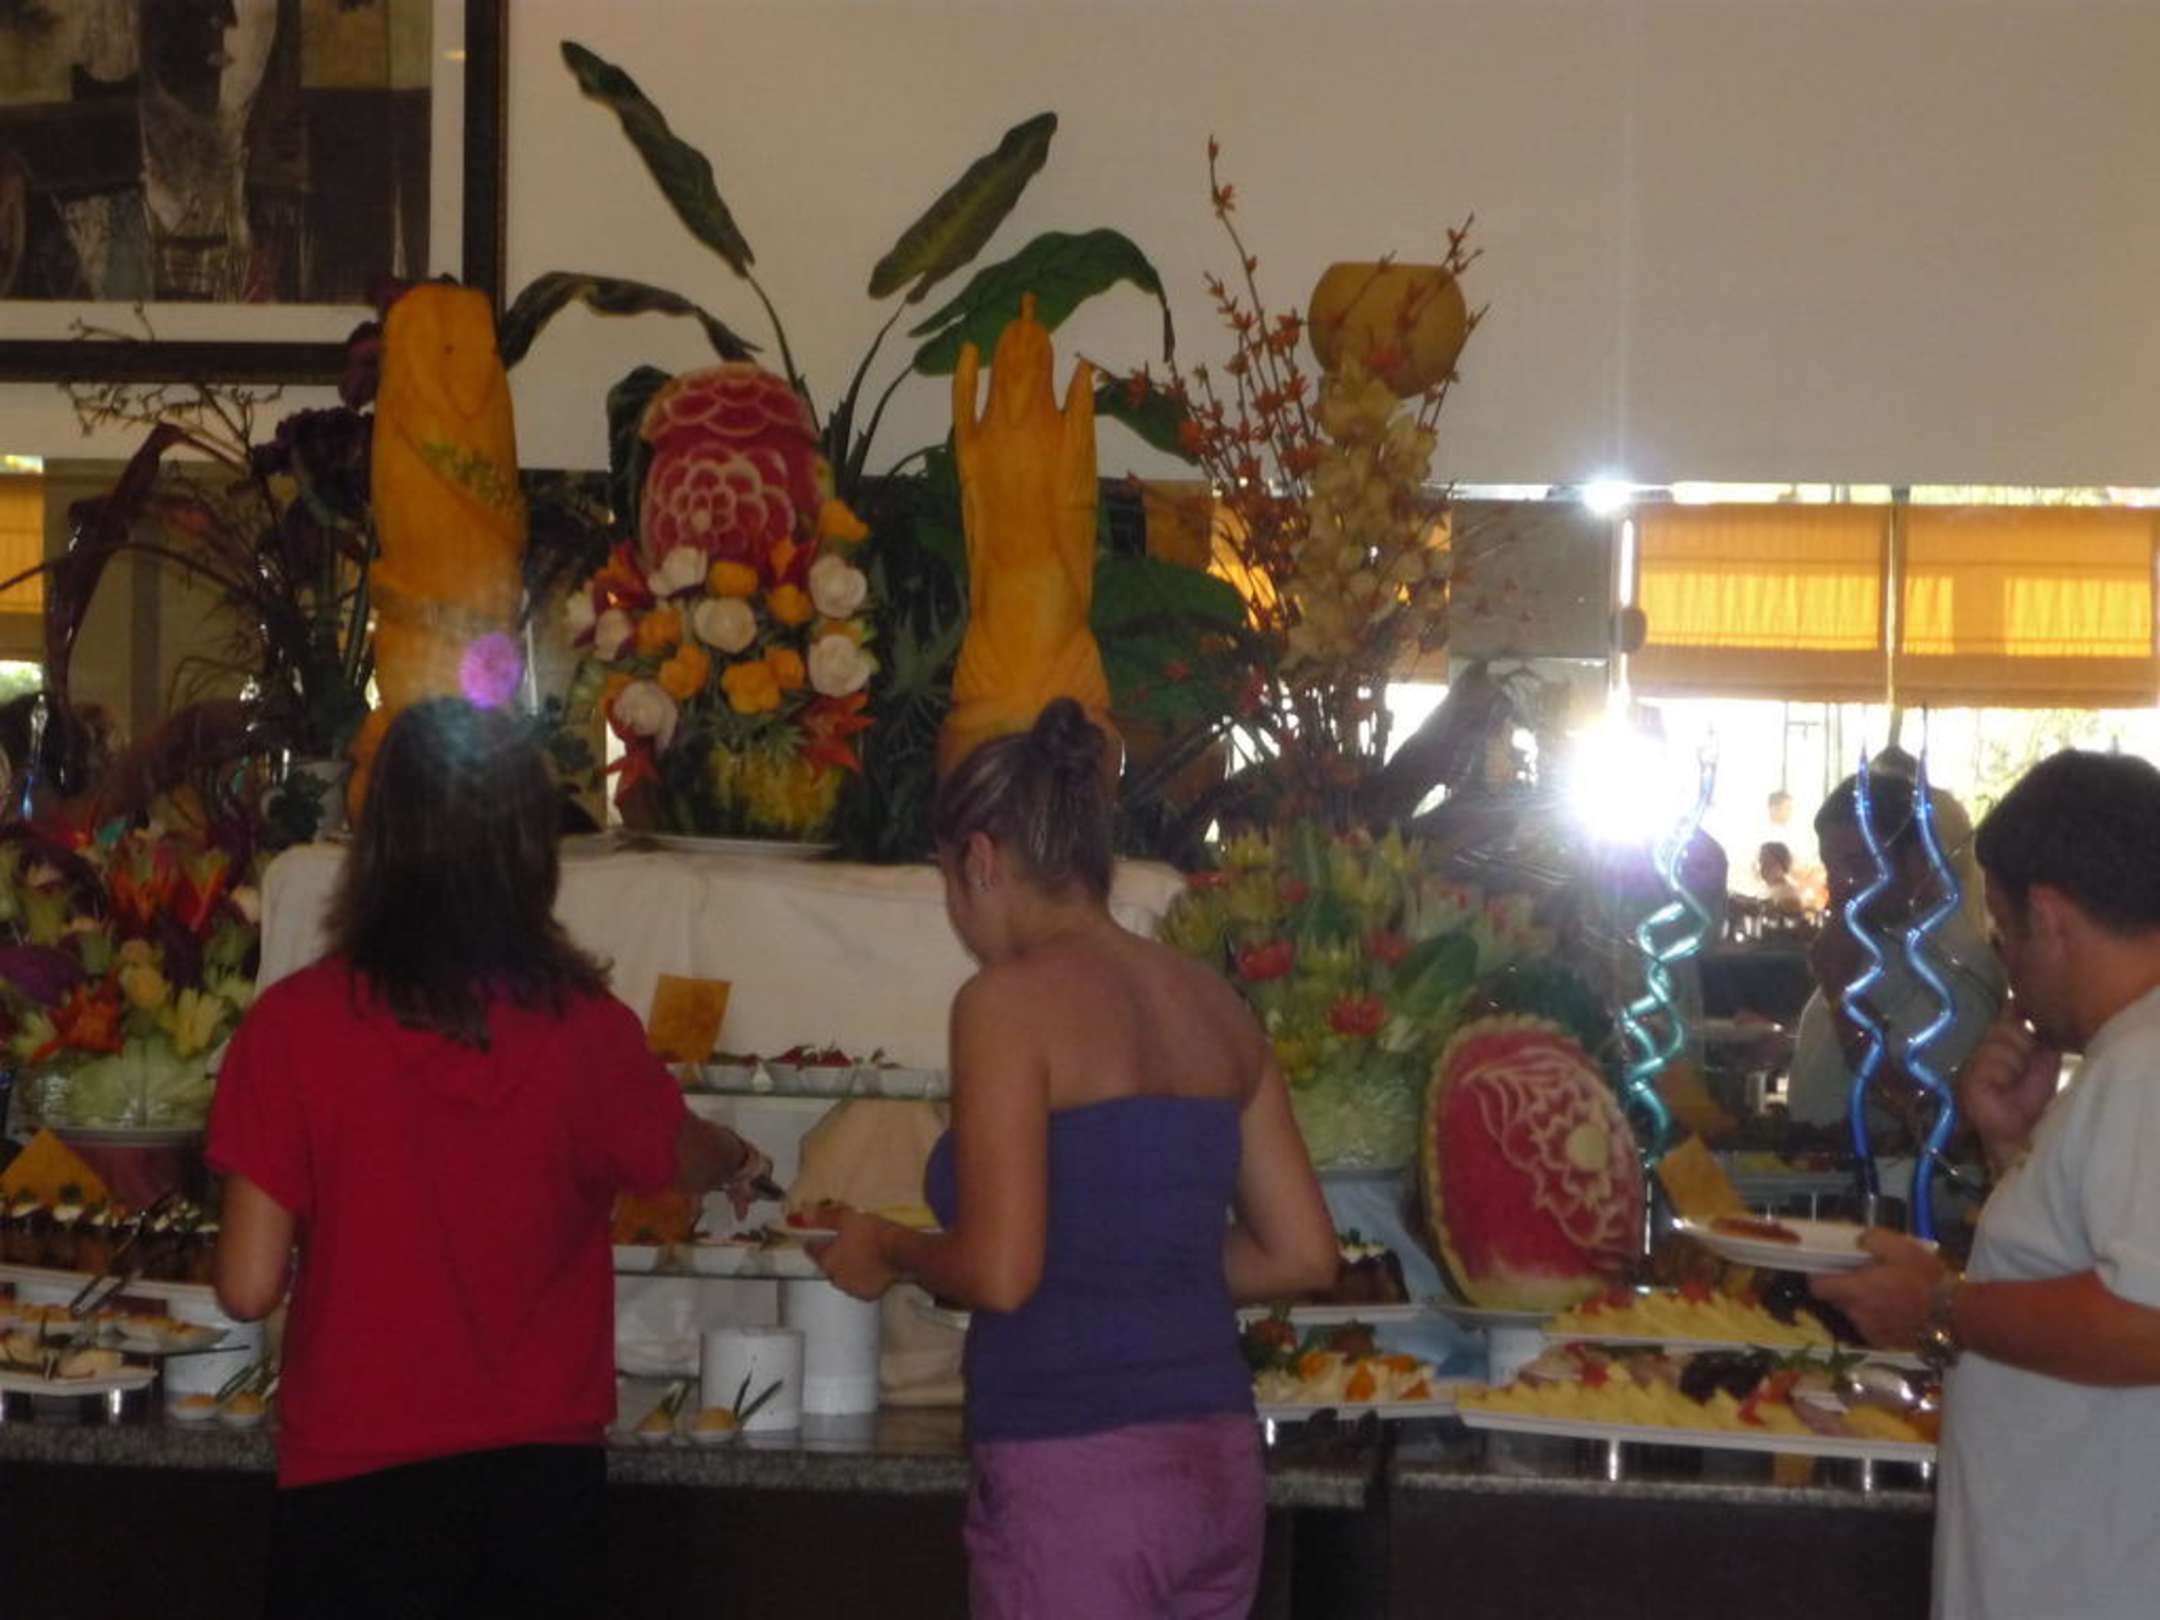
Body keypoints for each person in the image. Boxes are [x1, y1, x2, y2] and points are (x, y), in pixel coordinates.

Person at [210, 698, 770, 1620]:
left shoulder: (293, 1026)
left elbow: (245, 1285)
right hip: (537, 1488)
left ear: (378, 841)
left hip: (352, 1480)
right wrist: (736, 1153)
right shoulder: (585, 1030)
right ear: (531, 851)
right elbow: (674, 1153)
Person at [811, 699, 1337, 1619]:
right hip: (1217, 1469)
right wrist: (1133, 1263)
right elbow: (1302, 1254)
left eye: (949, 883)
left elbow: (1001, 1273)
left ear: (981, 859)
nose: (957, 915)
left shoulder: (1005, 1004)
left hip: (1076, 1470)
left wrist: (884, 1247)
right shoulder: (1213, 1002)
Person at [1815, 750, 2160, 1620]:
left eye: (2004, 932)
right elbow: (2097, 1263)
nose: (2008, 966)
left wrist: (1939, 1307)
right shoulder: (2126, 1056)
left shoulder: (2147, 1064)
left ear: (2049, 916)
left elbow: (2147, 1322)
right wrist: (2015, 1145)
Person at [1782, 771, 2005, 1132]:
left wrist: (1839, 988)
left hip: (1889, 1166)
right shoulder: (1874, 936)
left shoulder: (1962, 966)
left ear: (1919, 859)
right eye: (1830, 867)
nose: (1838, 886)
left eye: (1858, 866)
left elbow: (1914, 1102)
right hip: (1814, 1156)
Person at [1757, 840, 1805, 914]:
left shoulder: (1789, 894)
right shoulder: (1766, 890)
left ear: (1783, 865)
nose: (1763, 868)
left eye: (1769, 863)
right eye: (1761, 862)